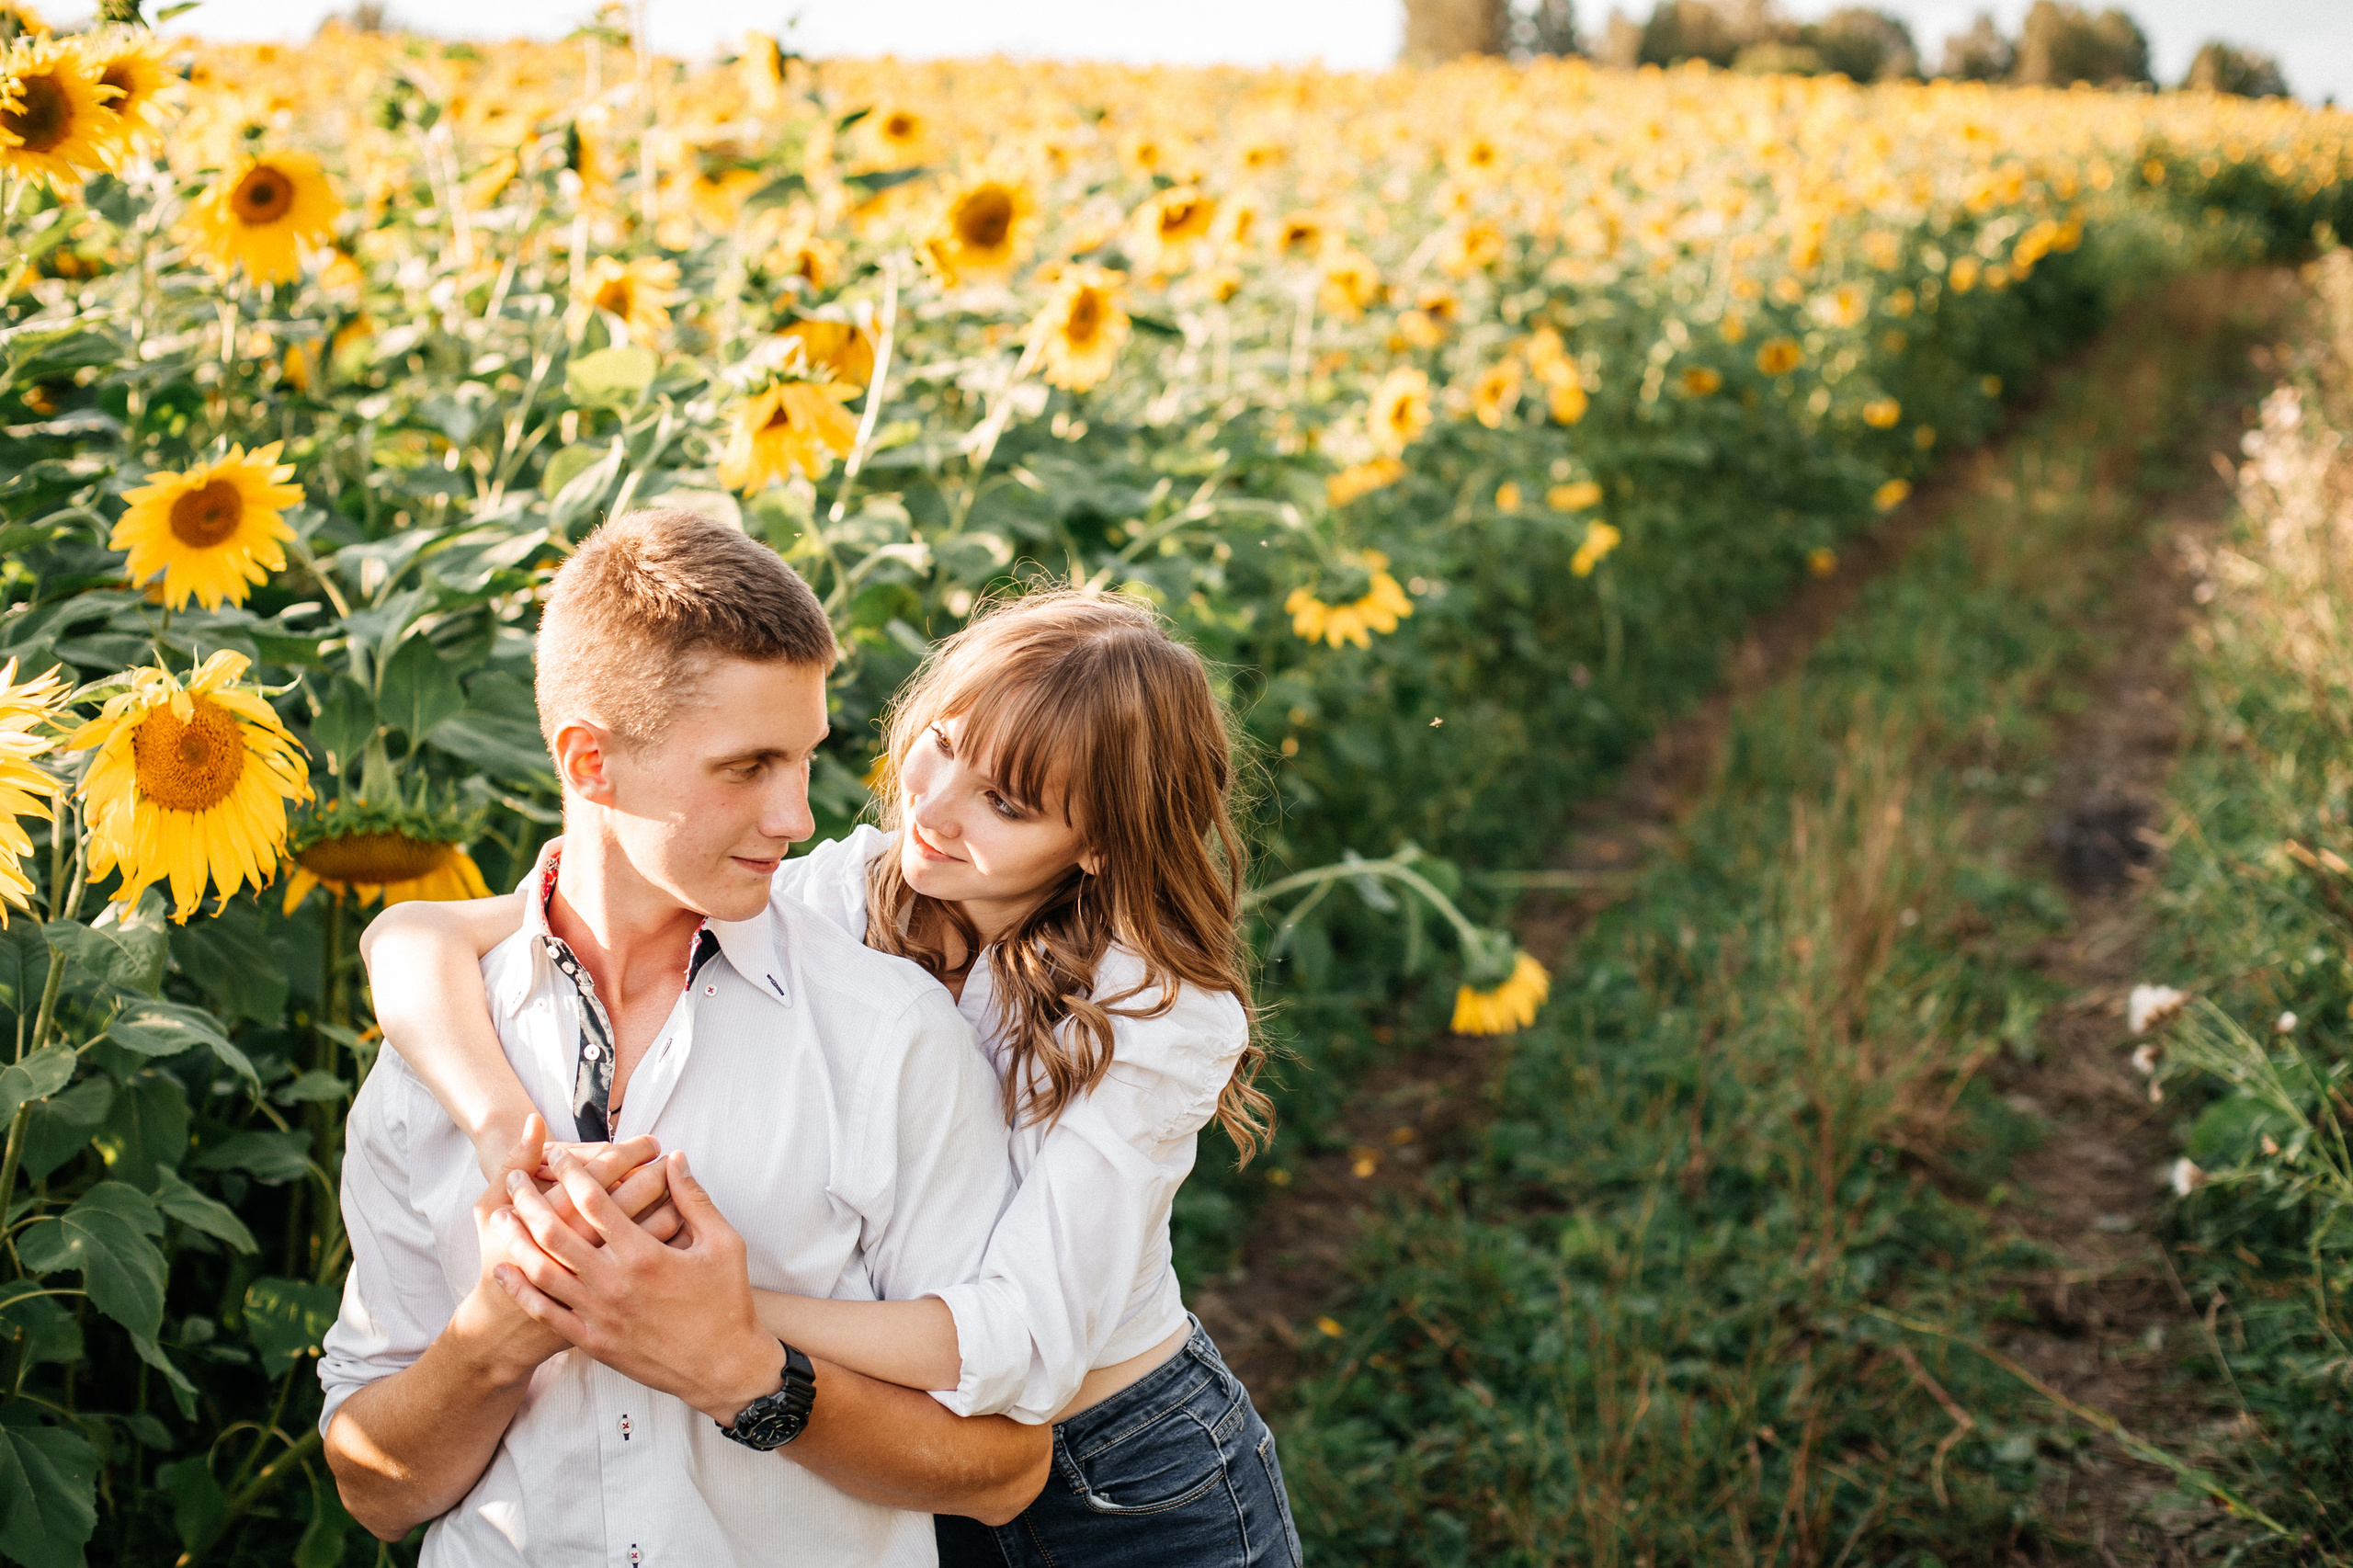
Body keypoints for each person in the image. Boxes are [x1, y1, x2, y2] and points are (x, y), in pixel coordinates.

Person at [361, 586, 1306, 1567]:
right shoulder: (843, 889)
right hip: (898, 1468)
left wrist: (679, 1309)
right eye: (940, 745)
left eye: (1005, 802)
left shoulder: (1154, 1011)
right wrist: (506, 1131)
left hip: (1124, 1479)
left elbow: (1022, 1343)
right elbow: (414, 934)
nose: (931, 810)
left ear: (1100, 841)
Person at [319, 507, 1052, 1565]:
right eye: (746, 767)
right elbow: (374, 1491)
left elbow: (1002, 1468)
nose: (796, 815)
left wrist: (743, 1371)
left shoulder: (888, 1036)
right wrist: (497, 1335)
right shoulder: (434, 1049)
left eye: (803, 758)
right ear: (590, 761)